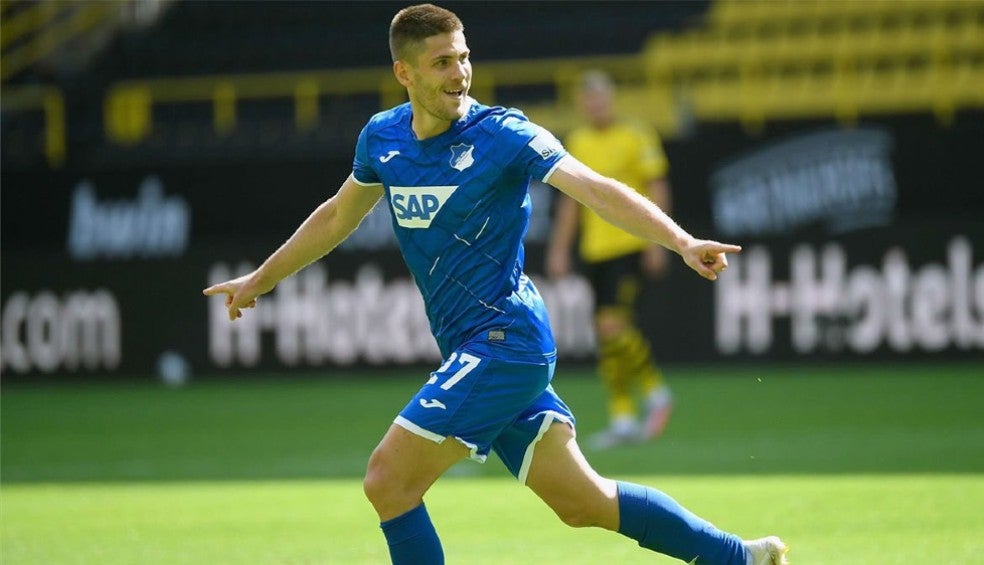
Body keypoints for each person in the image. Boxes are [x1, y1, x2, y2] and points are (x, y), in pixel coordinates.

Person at [203, 5, 788, 564]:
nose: (459, 74)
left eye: (463, 58)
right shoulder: (382, 139)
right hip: (474, 348)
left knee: (388, 481)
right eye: (441, 63)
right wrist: (262, 278)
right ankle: (738, 557)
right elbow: (337, 216)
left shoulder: (502, 133)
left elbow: (591, 186)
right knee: (583, 503)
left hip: (505, 341)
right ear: (403, 73)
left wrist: (681, 241)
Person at [547, 69, 675, 450]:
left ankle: (655, 390)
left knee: (613, 328)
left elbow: (657, 185)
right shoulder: (578, 141)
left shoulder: (636, 135)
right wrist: (559, 247)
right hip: (595, 250)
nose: (596, 106)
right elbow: (571, 200)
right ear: (581, 105)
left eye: (601, 99)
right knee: (607, 337)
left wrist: (659, 241)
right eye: (589, 100)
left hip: (630, 243)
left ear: (611, 100)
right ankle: (622, 416)